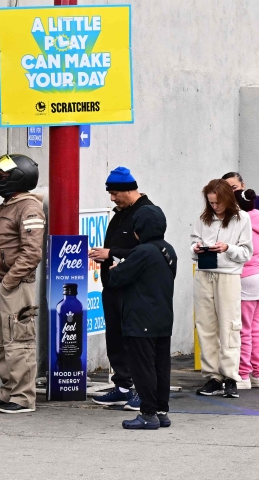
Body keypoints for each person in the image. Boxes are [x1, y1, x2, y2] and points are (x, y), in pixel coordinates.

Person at [0, 154, 45, 414]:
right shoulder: (8, 204)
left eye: (4, 176)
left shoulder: (28, 207)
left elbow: (32, 253)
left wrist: (8, 282)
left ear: (19, 178)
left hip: (13, 286)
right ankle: (8, 392)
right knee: (0, 342)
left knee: (19, 341)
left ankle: (23, 397)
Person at [107, 205, 178, 430]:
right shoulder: (168, 250)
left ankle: (148, 413)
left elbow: (117, 278)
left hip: (140, 318)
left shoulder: (143, 251)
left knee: (143, 366)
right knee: (161, 365)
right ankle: (161, 410)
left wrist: (114, 267)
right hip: (163, 316)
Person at [90, 167, 153, 411]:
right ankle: (123, 387)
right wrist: (104, 256)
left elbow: (149, 252)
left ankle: (142, 390)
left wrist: (112, 253)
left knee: (135, 341)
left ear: (129, 190)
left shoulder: (146, 214)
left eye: (115, 193)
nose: (112, 198)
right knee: (115, 338)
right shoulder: (120, 214)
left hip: (133, 289)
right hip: (113, 285)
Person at [191, 179, 253, 398]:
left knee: (230, 325)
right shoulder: (202, 218)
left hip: (229, 274)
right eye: (211, 203)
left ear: (227, 199)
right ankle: (213, 376)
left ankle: (230, 376)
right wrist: (196, 249)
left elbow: (247, 252)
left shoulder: (242, 218)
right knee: (205, 324)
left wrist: (228, 248)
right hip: (204, 272)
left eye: (217, 202)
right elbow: (192, 244)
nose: (214, 206)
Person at [223, 171, 259, 384]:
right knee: (256, 329)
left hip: (245, 278)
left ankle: (243, 375)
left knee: (244, 331)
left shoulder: (239, 222)